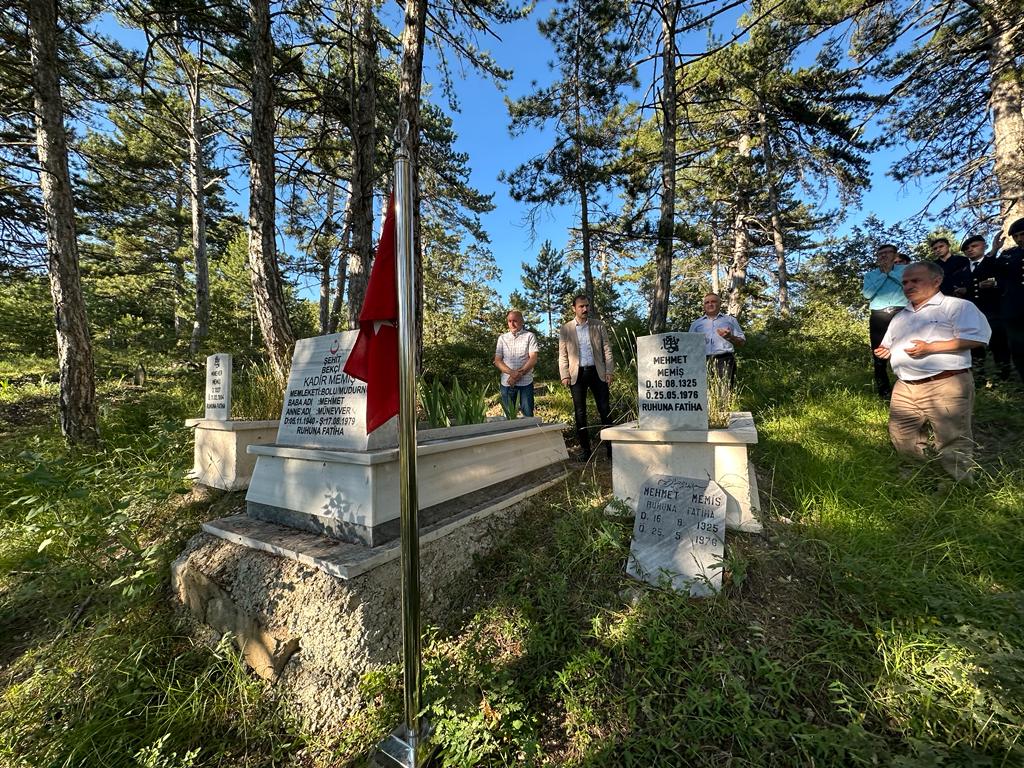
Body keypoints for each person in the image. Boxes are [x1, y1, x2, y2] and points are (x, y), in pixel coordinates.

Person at [874, 261, 991, 482]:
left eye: (915, 280)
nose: (908, 286)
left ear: (936, 281)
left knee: (952, 438)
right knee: (902, 434)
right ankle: (918, 478)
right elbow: (888, 345)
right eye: (905, 282)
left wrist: (931, 348)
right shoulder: (900, 317)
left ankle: (959, 486)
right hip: (905, 385)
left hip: (946, 382)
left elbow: (978, 338)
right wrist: (885, 351)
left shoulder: (957, 306)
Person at [558, 294, 614, 459]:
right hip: (577, 374)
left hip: (598, 372)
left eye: (587, 306)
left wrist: (609, 371)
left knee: (605, 410)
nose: (585, 309)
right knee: (580, 413)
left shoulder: (598, 325)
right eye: (581, 306)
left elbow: (607, 349)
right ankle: (585, 451)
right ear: (574, 308)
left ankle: (611, 449)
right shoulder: (566, 328)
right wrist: (564, 374)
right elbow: (562, 355)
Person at [959, 234, 1011, 384]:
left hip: (993, 311)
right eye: (966, 249)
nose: (970, 250)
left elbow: (1005, 282)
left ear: (984, 246)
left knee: (999, 346)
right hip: (971, 314)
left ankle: (1004, 379)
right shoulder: (963, 270)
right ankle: (979, 380)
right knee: (975, 349)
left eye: (974, 246)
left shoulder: (993, 263)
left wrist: (994, 284)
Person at [862, 244, 908, 398]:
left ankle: (907, 387)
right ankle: (884, 391)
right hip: (879, 315)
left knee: (904, 349)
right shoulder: (870, 275)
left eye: (887, 253)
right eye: (880, 254)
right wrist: (883, 275)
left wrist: (891, 274)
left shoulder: (905, 270)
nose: (883, 256)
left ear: (895, 256)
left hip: (901, 312)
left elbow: (909, 287)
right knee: (879, 352)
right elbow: (867, 295)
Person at [688, 293, 745, 396]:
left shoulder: (730, 320)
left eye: (713, 301)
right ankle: (708, 412)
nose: (710, 304)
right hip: (702, 361)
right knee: (703, 393)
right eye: (707, 302)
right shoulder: (696, 324)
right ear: (704, 306)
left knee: (725, 392)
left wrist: (729, 337)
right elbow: (689, 346)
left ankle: (724, 412)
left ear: (720, 304)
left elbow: (742, 342)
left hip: (725, 360)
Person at [494, 309, 539, 418]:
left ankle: (529, 435)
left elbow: (533, 358)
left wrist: (517, 375)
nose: (512, 323)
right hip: (507, 383)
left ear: (522, 321)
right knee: (508, 416)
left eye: (515, 320)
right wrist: (512, 373)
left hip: (525, 383)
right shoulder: (502, 338)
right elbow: (497, 361)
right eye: (509, 321)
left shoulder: (529, 336)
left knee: (528, 415)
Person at [996, 217, 1024, 384]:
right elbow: (991, 270)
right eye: (1016, 236)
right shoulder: (1009, 254)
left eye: (1022, 234)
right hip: (1014, 311)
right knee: (1019, 350)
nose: (1019, 239)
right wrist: (994, 251)